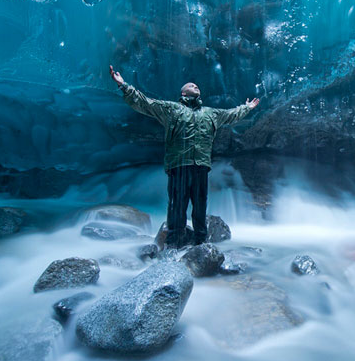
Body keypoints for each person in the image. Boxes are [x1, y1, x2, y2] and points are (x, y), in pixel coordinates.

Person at [109, 65, 259, 247]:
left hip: (201, 165)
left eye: (197, 86)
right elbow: (144, 103)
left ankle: (201, 243)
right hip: (179, 163)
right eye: (191, 85)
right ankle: (173, 244)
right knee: (177, 205)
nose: (195, 86)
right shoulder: (171, 109)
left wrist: (247, 107)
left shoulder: (210, 113)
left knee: (200, 205)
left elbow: (231, 115)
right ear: (183, 93)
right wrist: (123, 85)